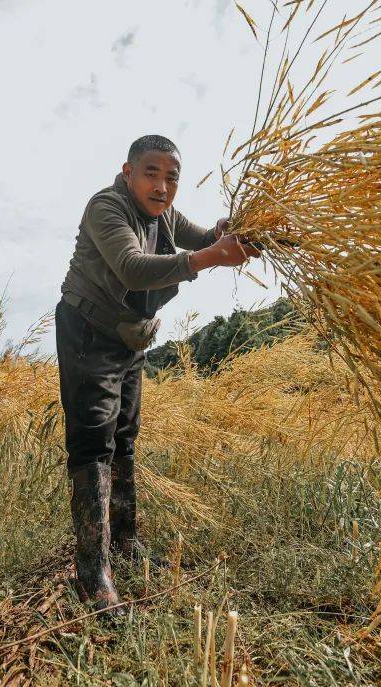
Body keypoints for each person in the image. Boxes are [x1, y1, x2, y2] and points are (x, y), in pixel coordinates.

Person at [57, 134, 260, 612]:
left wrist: (240, 232)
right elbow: (131, 268)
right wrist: (210, 257)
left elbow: (207, 239)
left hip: (132, 340)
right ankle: (93, 572)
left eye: (172, 178)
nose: (163, 186)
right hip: (89, 331)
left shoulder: (164, 214)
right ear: (128, 172)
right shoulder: (105, 207)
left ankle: (125, 542)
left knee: (125, 436)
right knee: (93, 442)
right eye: (152, 173)